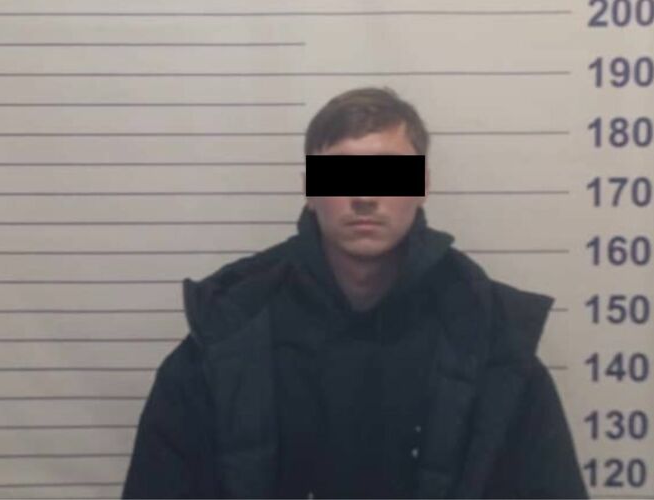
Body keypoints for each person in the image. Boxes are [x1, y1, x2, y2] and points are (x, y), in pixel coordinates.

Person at [122, 87, 589, 499]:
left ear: (423, 186)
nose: (364, 197)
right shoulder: (228, 332)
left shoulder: (490, 339)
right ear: (309, 189)